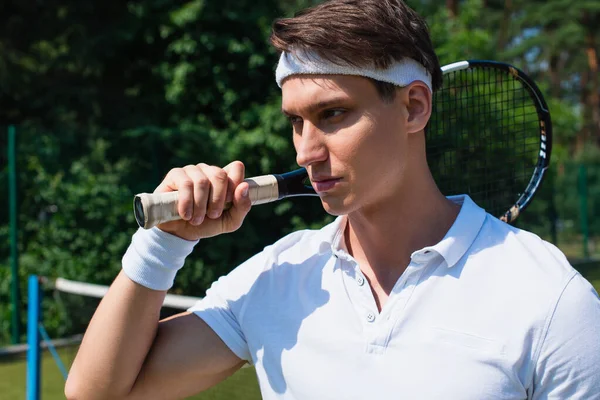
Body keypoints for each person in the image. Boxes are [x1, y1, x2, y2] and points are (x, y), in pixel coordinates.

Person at [65, 1, 600, 399]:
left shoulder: (551, 300)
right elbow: (95, 392)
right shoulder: (279, 275)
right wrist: (163, 246)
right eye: (296, 121)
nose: (306, 150)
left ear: (414, 107)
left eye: (333, 115)